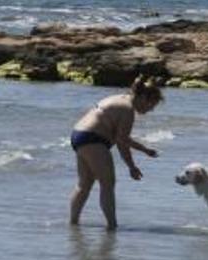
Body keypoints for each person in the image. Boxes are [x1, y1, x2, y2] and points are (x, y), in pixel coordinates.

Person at [69, 75, 163, 230]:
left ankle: (73, 224)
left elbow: (121, 141)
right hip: (94, 138)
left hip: (78, 135)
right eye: (151, 105)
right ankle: (112, 226)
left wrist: (133, 164)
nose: (150, 110)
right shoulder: (127, 109)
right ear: (143, 97)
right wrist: (142, 153)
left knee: (84, 184)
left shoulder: (119, 99)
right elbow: (122, 140)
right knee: (108, 184)